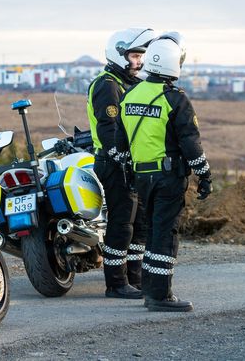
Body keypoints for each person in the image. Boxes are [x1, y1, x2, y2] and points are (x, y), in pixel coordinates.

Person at [116, 32, 213, 312]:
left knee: (151, 232)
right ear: (174, 63)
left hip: (141, 177)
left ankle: (149, 288)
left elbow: (121, 144)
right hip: (167, 177)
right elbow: (190, 144)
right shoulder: (174, 99)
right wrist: (204, 175)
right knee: (164, 233)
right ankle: (159, 296)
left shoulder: (130, 94)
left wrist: (129, 173)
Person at [87, 27, 156, 299]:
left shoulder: (129, 84)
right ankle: (115, 283)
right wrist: (124, 160)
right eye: (135, 55)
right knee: (121, 223)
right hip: (113, 164)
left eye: (141, 56)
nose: (139, 61)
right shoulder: (107, 85)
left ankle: (135, 279)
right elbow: (109, 129)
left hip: (130, 165)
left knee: (140, 224)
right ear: (119, 54)